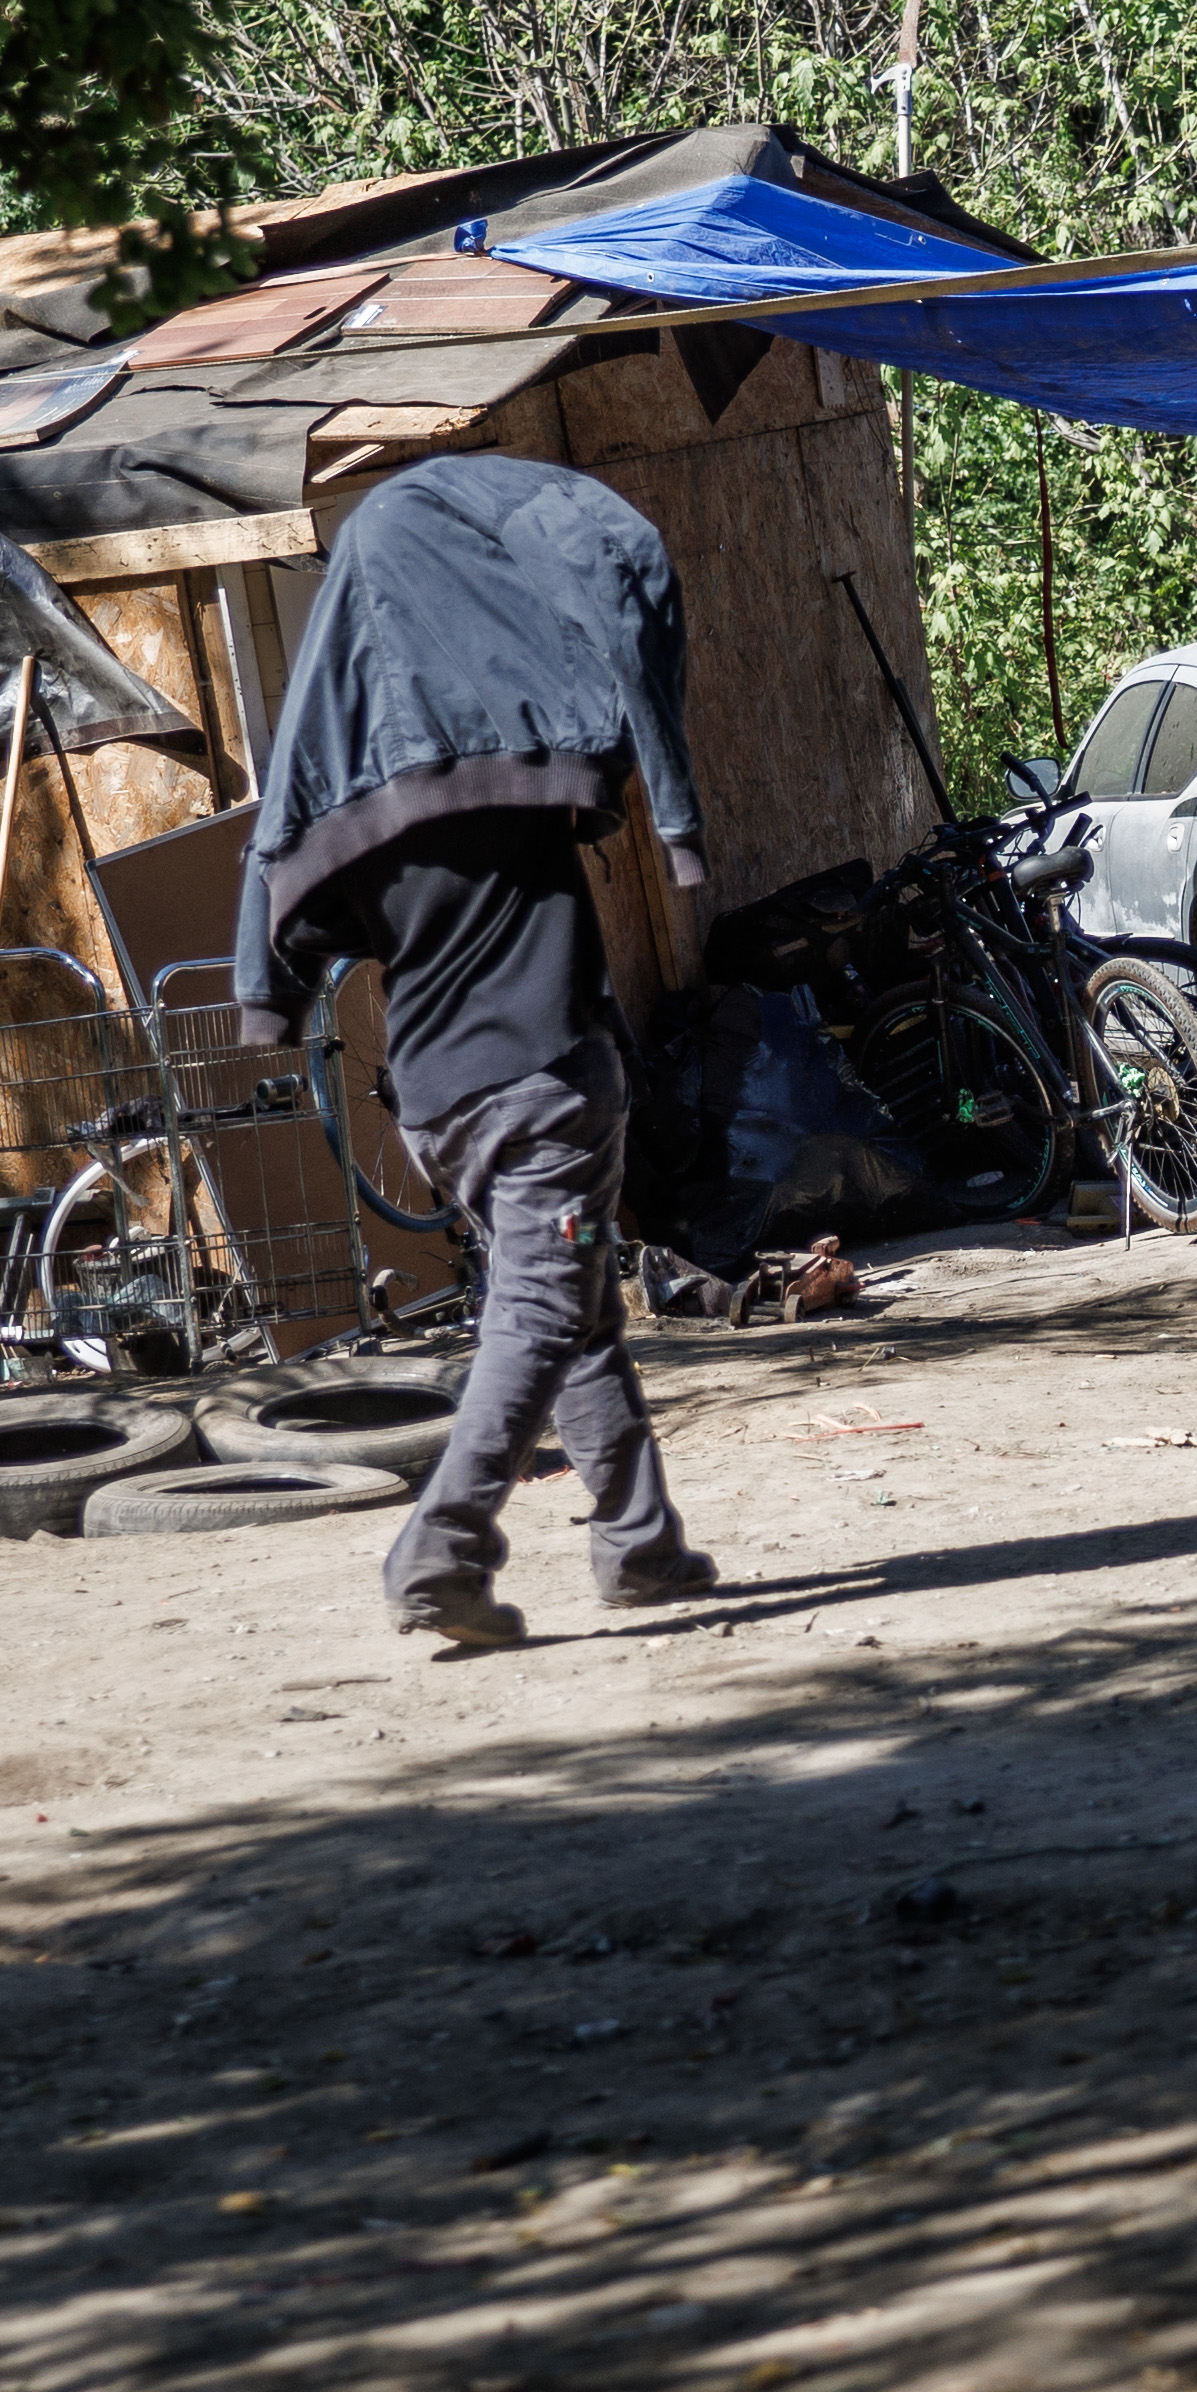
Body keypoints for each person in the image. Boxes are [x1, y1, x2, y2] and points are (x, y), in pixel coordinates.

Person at [230, 457, 716, 1649]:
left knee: (580, 1305)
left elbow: (278, 897)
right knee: (547, 1312)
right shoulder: (518, 751)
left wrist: (267, 1002)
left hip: (441, 1104)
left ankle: (639, 1544)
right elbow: (596, 623)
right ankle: (439, 1548)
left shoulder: (349, 801)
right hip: (539, 1081)